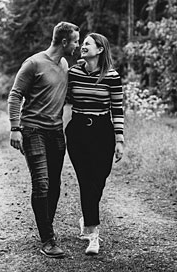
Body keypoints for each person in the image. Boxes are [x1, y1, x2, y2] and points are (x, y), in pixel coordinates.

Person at [7, 21, 80, 258]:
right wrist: (15, 128)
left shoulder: (65, 64)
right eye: (76, 41)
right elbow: (15, 95)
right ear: (64, 41)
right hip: (33, 130)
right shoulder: (34, 63)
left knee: (55, 185)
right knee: (42, 183)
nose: (78, 46)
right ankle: (48, 239)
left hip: (56, 132)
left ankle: (46, 227)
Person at [65, 32, 124, 256]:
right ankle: (93, 233)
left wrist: (119, 139)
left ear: (100, 49)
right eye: (82, 43)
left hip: (102, 131)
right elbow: (62, 99)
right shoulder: (73, 73)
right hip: (78, 131)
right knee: (86, 180)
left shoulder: (112, 76)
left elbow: (117, 109)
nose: (82, 46)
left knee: (99, 179)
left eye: (87, 44)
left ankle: (87, 217)